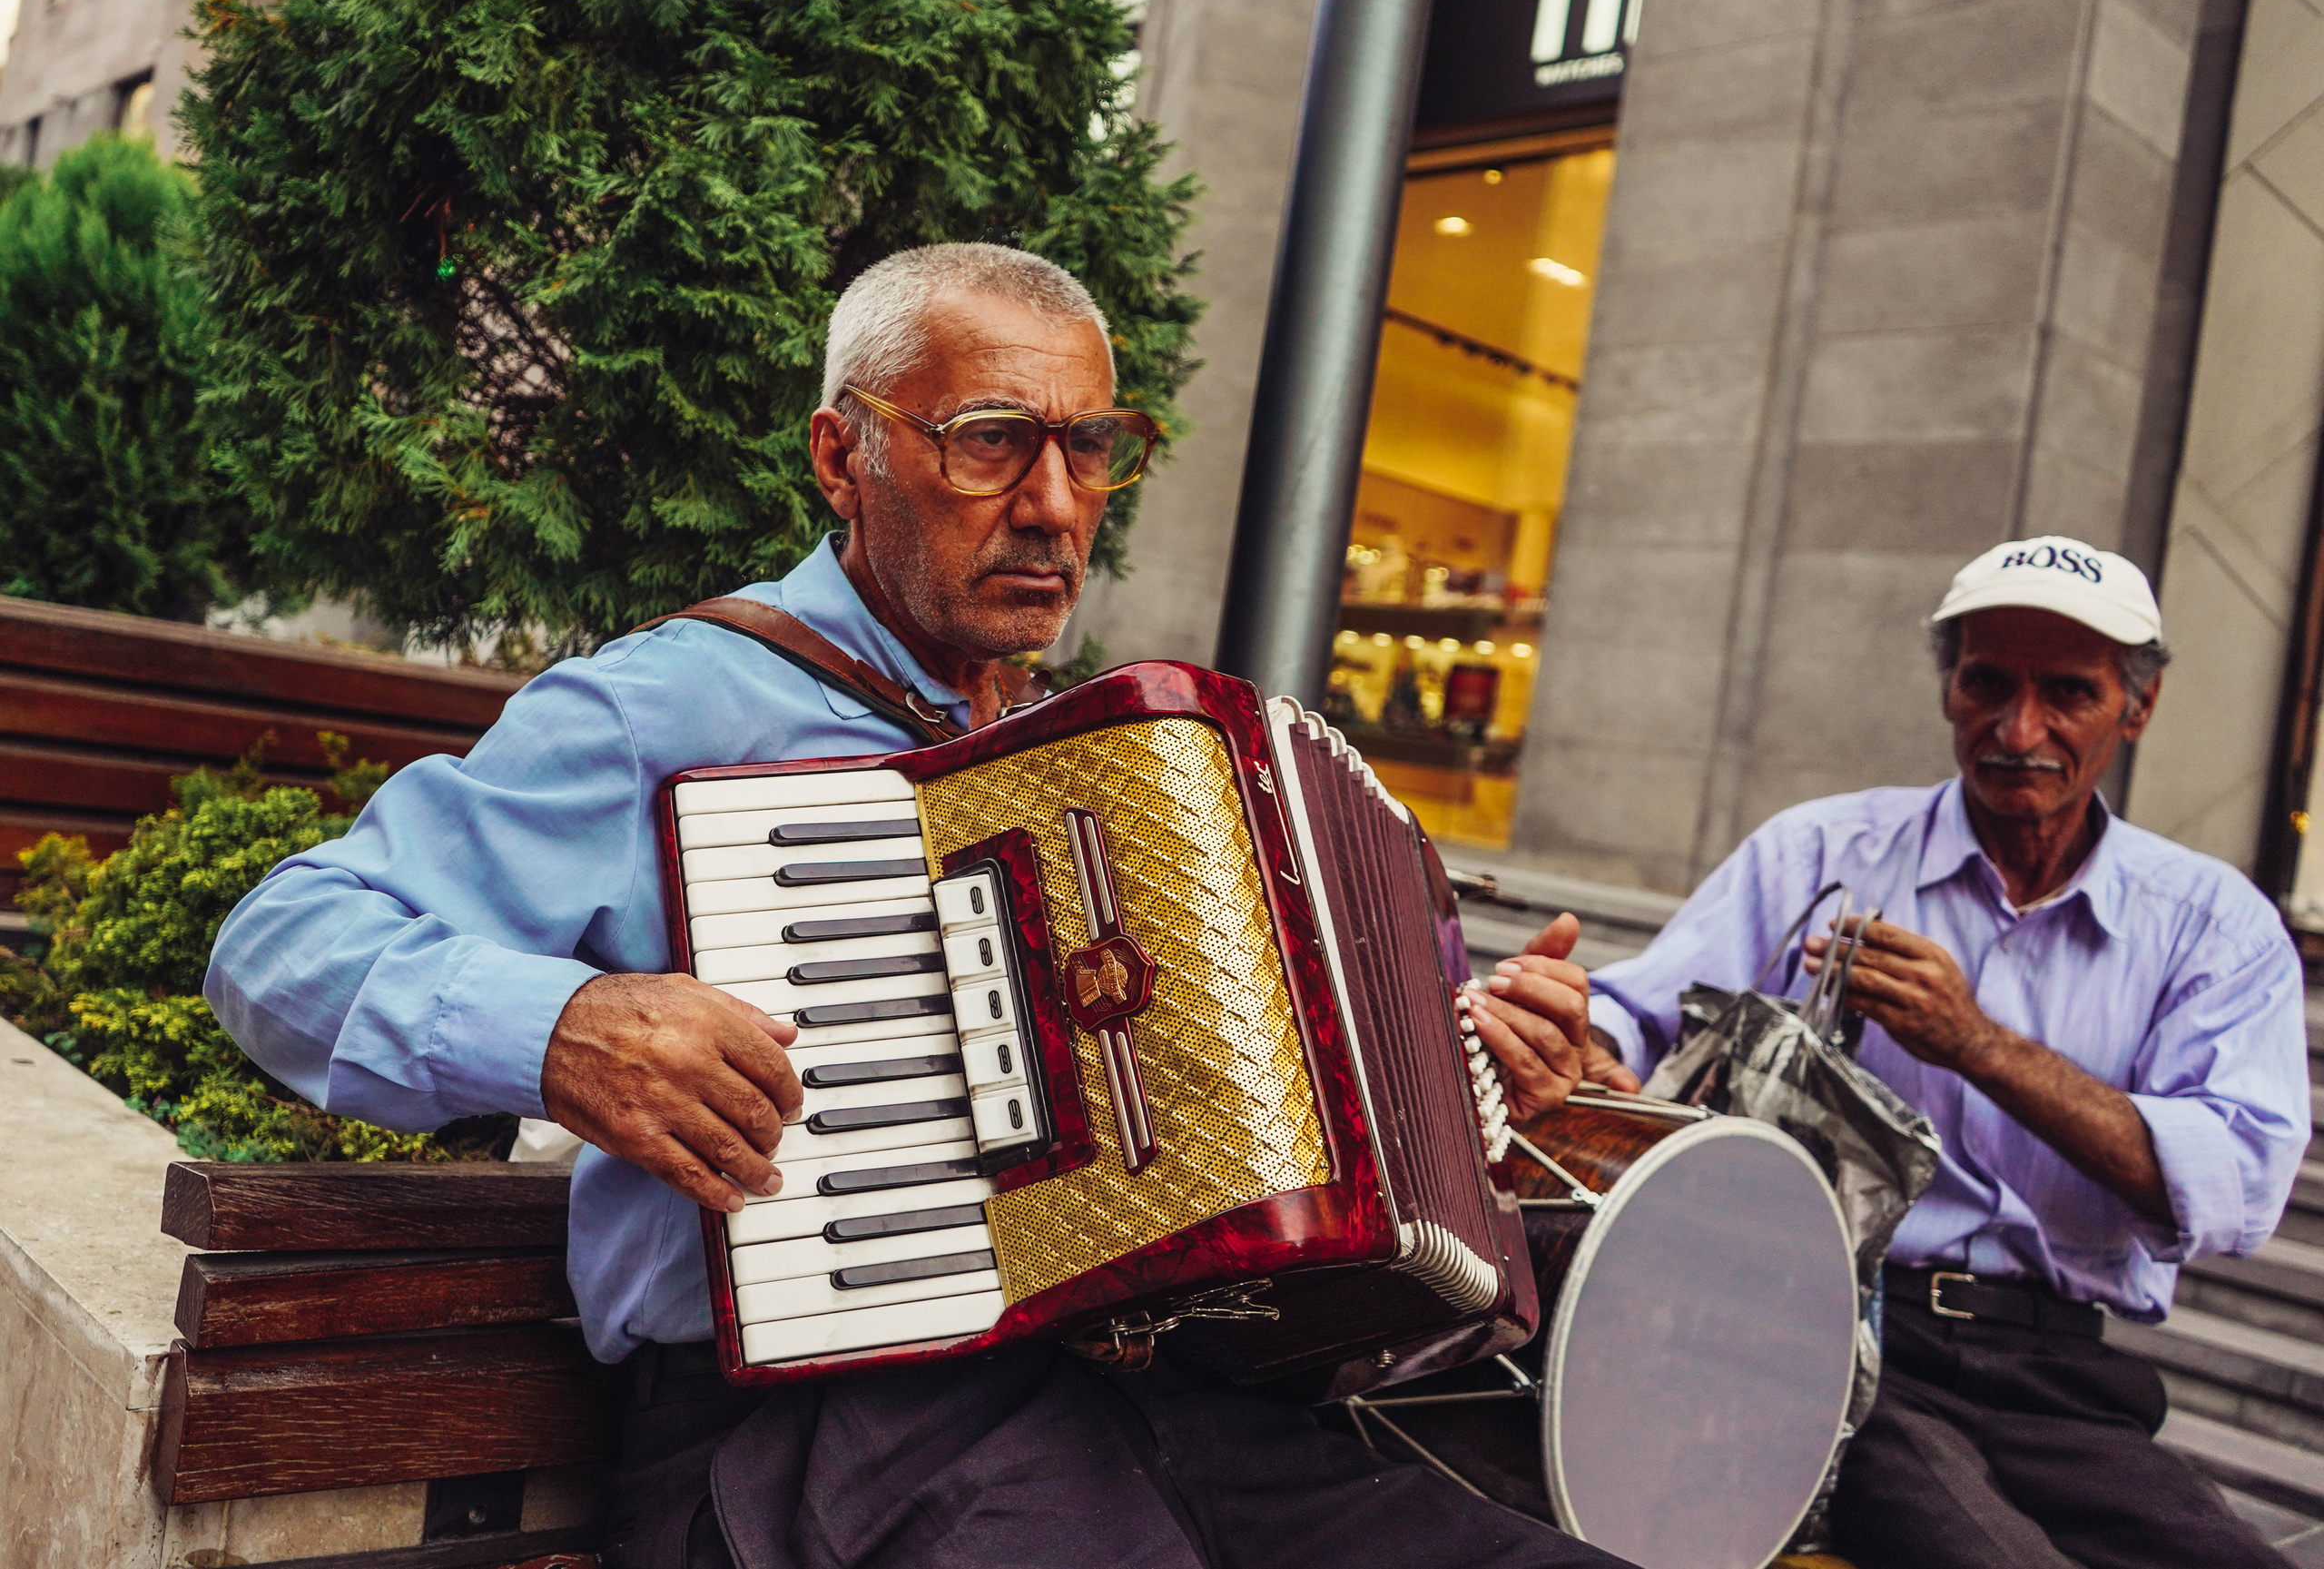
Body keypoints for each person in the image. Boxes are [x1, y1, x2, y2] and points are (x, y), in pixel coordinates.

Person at [205, 243, 1631, 1569]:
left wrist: (1448, 1073)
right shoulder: (671, 705)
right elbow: (282, 944)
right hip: (796, 1445)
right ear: (844, 455)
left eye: (1090, 448)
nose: (1055, 504)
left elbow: (1211, 1132)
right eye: (990, 440)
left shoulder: (1097, 765)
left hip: (1121, 1403)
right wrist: (564, 1029)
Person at [1495, 536, 2309, 1568]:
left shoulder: (2209, 922)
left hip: (2063, 1374)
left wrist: (1974, 1042)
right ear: (1949, 690)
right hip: (1831, 1330)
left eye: (2067, 691)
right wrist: (1576, 1034)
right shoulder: (1823, 853)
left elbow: (2235, 1183)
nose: (2019, 729)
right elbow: (1636, 1009)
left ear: (2135, 708)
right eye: (1987, 683)